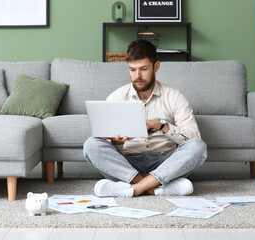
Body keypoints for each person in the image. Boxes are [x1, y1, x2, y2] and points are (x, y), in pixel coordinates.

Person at [83, 39, 207, 198]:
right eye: (132, 70)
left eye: (143, 69)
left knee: (198, 146)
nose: (137, 76)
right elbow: (104, 145)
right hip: (127, 163)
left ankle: (133, 188)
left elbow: (194, 137)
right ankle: (154, 187)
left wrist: (161, 125)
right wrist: (116, 142)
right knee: (91, 144)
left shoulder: (174, 97)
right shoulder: (117, 97)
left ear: (156, 66)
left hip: (165, 162)